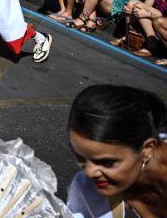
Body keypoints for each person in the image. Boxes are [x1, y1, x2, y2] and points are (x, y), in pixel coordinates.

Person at [66, 84, 167, 218]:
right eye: (81, 158)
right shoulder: (86, 190)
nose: (89, 172)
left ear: (147, 149)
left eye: (107, 162)